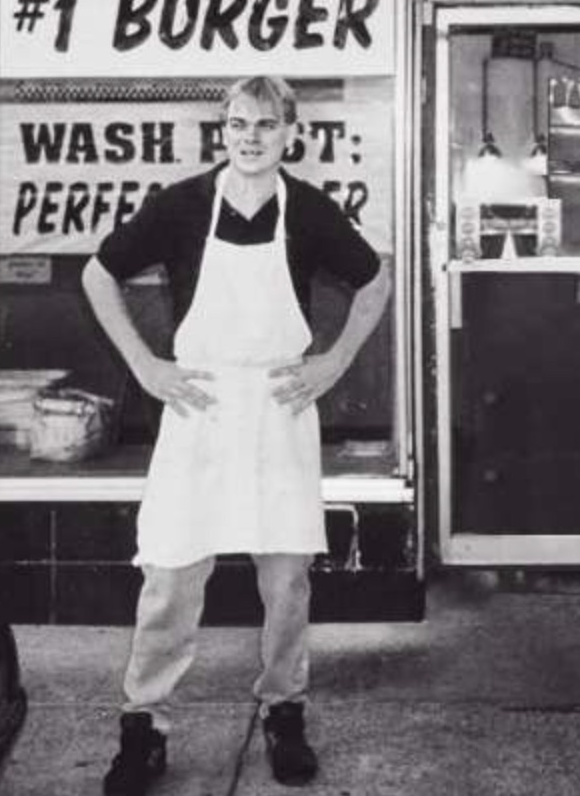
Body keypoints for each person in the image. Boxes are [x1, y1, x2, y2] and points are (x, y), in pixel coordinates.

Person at [81, 75, 390, 794]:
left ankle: (285, 710)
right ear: (222, 130)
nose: (249, 136)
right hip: (198, 407)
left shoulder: (310, 212)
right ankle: (144, 727)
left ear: (291, 133)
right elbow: (99, 275)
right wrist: (145, 365)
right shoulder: (182, 205)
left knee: (286, 580)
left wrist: (336, 360)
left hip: (279, 410)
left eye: (265, 124)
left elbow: (374, 280)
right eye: (237, 123)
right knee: (168, 576)